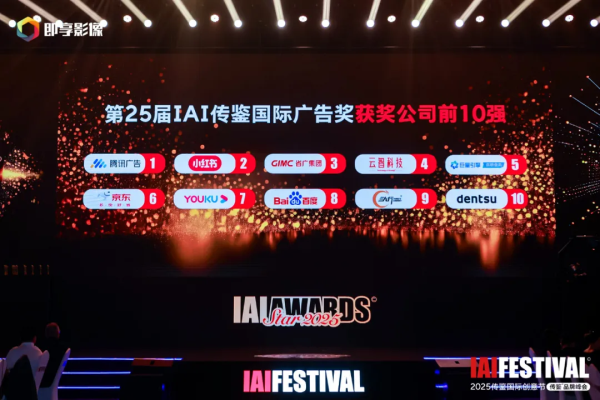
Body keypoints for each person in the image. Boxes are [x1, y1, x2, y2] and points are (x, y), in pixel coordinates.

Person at [39, 323, 69, 388]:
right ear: (58, 333)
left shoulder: (40, 348)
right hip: (60, 382)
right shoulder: (63, 348)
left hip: (41, 382)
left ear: (46, 334)